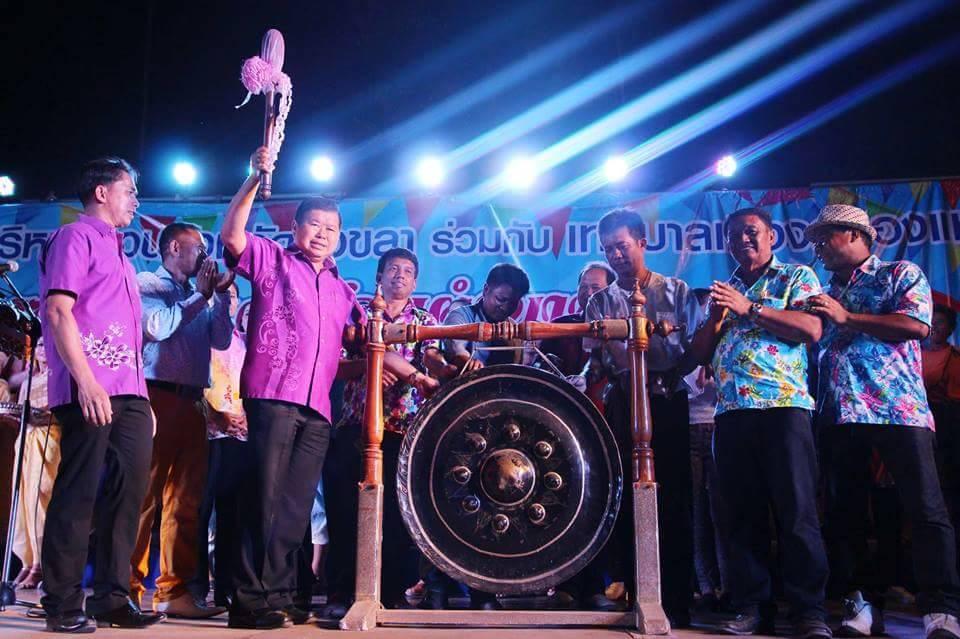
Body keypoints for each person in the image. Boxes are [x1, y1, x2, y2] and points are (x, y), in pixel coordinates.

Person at [218, 147, 365, 629]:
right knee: (262, 497)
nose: (322, 234)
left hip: (318, 407)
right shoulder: (272, 259)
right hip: (273, 395)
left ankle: (279, 594)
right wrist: (253, 179)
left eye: (331, 228)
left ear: (340, 237)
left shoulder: (344, 290)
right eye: (314, 224)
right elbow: (232, 235)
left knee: (295, 508)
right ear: (296, 227)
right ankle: (247, 600)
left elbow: (364, 342)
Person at [806, 204, 960, 639]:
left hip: (899, 410)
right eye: (814, 241)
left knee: (925, 509)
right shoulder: (822, 291)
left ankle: (941, 609)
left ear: (855, 235)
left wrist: (847, 316)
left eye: (825, 237)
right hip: (840, 413)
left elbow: (915, 326)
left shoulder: (899, 273)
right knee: (846, 515)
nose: (818, 247)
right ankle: (863, 606)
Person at [690, 207, 830, 639]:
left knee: (796, 513)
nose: (742, 240)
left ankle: (808, 611)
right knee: (740, 516)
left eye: (751, 232)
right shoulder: (725, 289)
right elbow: (699, 353)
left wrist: (750, 308)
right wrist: (717, 318)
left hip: (783, 408)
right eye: (733, 235)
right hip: (731, 413)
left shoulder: (795, 276)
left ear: (772, 236)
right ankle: (752, 606)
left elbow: (811, 328)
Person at [39, 157, 163, 632]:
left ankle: (112, 597)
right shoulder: (75, 237)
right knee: (79, 494)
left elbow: (129, 336)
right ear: (101, 192)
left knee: (128, 494)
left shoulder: (122, 256)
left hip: (129, 392)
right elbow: (58, 310)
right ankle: (62, 602)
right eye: (129, 190)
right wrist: (87, 381)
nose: (136, 200)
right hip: (88, 387)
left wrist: (142, 397)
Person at [582, 208, 700, 623]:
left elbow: (695, 351)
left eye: (622, 246)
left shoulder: (677, 292)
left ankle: (679, 601)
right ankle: (637, 593)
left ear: (642, 243)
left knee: (674, 499)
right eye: (608, 249)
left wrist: (667, 376)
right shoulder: (599, 302)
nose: (615, 255)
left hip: (668, 401)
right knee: (628, 497)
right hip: (623, 402)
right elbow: (598, 359)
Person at [323, 247, 443, 615]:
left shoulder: (425, 320)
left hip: (403, 429)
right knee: (345, 511)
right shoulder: (356, 315)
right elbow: (333, 366)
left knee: (397, 515)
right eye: (393, 269)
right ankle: (340, 594)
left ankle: (391, 593)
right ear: (379, 277)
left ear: (415, 282)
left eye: (407, 271)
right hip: (355, 425)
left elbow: (433, 360)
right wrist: (369, 366)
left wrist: (441, 368)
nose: (400, 275)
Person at [129, 222, 234, 618]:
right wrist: (200, 296)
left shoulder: (200, 293)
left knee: (186, 502)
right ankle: (125, 588)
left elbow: (221, 341)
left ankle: (175, 592)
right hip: (156, 396)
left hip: (193, 402)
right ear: (174, 247)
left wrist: (221, 297)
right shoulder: (146, 284)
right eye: (199, 248)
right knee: (143, 498)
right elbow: (156, 328)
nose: (206, 257)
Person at [188, 283, 250, 610]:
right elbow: (193, 385)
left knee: (233, 515)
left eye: (233, 296)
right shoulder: (199, 337)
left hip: (238, 436)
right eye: (221, 296)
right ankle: (195, 587)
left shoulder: (241, 342)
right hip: (205, 433)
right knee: (198, 512)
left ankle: (227, 586)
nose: (228, 302)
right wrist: (216, 416)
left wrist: (246, 417)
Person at [9, 338, 60, 591]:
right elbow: (21, 411)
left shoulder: (61, 377)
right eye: (39, 345)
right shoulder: (29, 381)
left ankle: (42, 563)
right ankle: (28, 562)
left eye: (46, 344)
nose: (42, 349)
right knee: (24, 501)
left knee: (41, 498)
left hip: (48, 438)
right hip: (26, 440)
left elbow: (60, 411)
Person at [923, 303, 960, 568]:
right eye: (931, 321)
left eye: (941, 322)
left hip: (946, 432)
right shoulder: (911, 353)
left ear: (951, 329)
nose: (935, 326)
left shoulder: (954, 359)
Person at [442, 263, 530, 370]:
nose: (505, 308)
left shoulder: (515, 331)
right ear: (486, 290)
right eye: (501, 299)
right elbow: (457, 351)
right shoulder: (460, 316)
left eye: (513, 303)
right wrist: (469, 363)